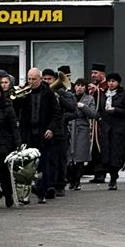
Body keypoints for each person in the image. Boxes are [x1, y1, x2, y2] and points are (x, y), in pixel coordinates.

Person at [16, 68, 62, 204]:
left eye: (34, 79)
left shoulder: (48, 93)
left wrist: (51, 129)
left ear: (40, 79)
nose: (31, 82)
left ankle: (42, 193)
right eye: (29, 79)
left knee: (44, 166)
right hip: (28, 135)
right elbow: (15, 107)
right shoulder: (25, 93)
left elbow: (56, 114)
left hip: (43, 136)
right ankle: (25, 194)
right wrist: (18, 96)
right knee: (26, 167)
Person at [96, 72, 125, 190]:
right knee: (106, 154)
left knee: (116, 154)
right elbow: (99, 109)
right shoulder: (103, 94)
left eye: (113, 81)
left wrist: (116, 110)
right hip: (106, 128)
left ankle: (113, 178)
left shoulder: (123, 95)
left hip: (118, 128)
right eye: (109, 81)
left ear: (118, 83)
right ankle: (108, 173)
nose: (111, 83)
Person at [47, 67, 77, 197]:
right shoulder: (43, 93)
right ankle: (49, 184)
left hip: (60, 132)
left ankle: (60, 184)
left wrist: (58, 97)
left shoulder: (64, 94)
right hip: (47, 131)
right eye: (45, 79)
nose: (47, 81)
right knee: (49, 159)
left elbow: (73, 110)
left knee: (60, 159)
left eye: (50, 79)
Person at [64, 78, 97, 191]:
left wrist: (83, 106)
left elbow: (93, 114)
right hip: (70, 127)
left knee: (80, 157)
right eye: (78, 85)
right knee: (69, 157)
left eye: (82, 86)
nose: (79, 87)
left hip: (82, 129)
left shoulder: (89, 98)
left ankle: (77, 180)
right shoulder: (69, 96)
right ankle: (71, 180)